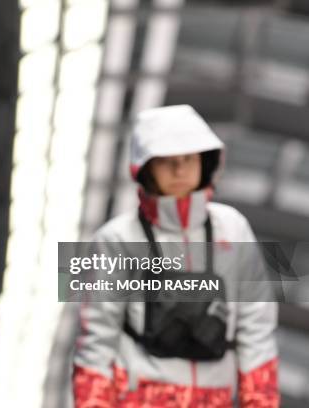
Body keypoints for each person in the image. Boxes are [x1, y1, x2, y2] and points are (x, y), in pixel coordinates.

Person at [73, 105, 278, 407]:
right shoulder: (116, 239)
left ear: (206, 163)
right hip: (136, 398)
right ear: (145, 168)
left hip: (216, 399)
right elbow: (96, 339)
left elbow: (256, 323)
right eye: (167, 161)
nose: (180, 170)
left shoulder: (233, 228)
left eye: (189, 159)